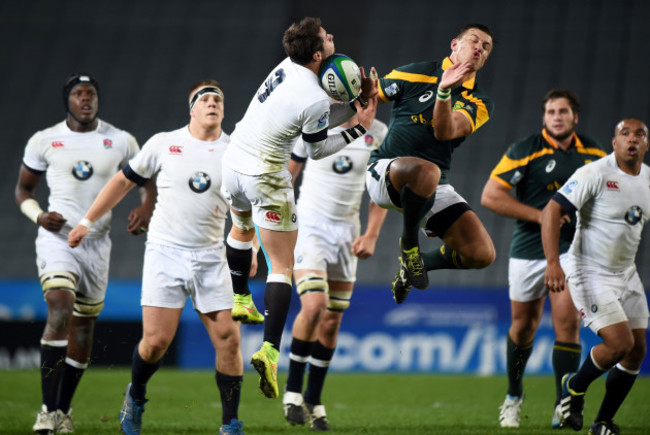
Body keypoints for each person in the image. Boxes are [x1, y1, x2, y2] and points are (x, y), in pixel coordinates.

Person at [68, 81, 245, 435]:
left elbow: (246, 207)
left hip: (211, 256)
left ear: (223, 111)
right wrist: (87, 221)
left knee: (229, 337)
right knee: (155, 344)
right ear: (191, 109)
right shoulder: (164, 143)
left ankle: (230, 424)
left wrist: (248, 249)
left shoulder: (236, 151)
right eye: (204, 99)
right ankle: (136, 395)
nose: (212, 104)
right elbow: (122, 182)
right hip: (166, 253)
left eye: (218, 100)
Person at [220, 16, 377, 399]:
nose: (333, 36)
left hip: (233, 163)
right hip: (267, 175)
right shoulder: (315, 97)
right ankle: (271, 351)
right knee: (282, 266)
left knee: (240, 227)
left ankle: (240, 296)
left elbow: (314, 116)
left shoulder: (287, 66)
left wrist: (354, 103)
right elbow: (317, 147)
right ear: (319, 53)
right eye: (327, 37)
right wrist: (360, 124)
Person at [14, 73, 154, 434]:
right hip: (58, 238)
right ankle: (46, 411)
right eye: (78, 93)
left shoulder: (121, 140)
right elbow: (23, 190)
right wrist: (39, 216)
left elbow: (147, 179)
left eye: (91, 93)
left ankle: (64, 409)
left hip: (97, 243)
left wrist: (146, 207)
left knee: (84, 325)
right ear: (68, 101)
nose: (85, 98)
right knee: (59, 307)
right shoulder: (45, 140)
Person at [481, 89, 607, 428]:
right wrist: (543, 217)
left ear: (575, 117)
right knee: (523, 328)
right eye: (551, 111)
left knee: (567, 325)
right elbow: (490, 195)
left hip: (573, 250)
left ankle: (562, 405)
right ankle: (513, 395)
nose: (557, 117)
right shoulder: (525, 150)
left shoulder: (595, 154)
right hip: (527, 248)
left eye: (563, 111)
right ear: (544, 117)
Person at [365, 23, 496, 305]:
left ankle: (415, 264)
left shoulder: (479, 100)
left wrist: (444, 93)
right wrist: (362, 93)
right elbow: (371, 94)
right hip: (385, 172)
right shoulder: (417, 71)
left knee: (480, 253)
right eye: (474, 40)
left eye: (486, 47)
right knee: (428, 171)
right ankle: (409, 245)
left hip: (433, 183)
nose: (479, 48)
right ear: (454, 45)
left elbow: (444, 131)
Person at [541, 118, 650, 434]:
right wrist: (552, 264)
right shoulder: (594, 173)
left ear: (646, 144)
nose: (632, 139)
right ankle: (574, 385)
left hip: (626, 273)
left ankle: (603, 422)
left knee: (637, 352)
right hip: (588, 270)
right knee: (619, 344)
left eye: (639, 134)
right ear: (614, 143)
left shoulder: (647, 180)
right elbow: (551, 210)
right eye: (624, 134)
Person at [282, 116, 388, 431]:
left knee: (331, 320)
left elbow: (382, 189)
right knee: (314, 305)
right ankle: (292, 391)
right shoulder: (314, 126)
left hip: (347, 230)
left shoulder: (380, 133)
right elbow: (289, 175)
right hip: (311, 225)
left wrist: (371, 235)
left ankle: (313, 399)